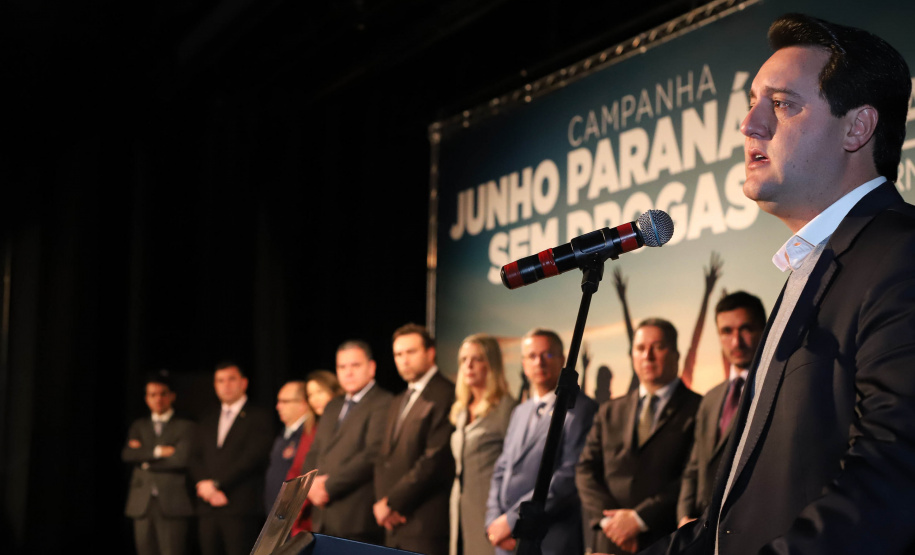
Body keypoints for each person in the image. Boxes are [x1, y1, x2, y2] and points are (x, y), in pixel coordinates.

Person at [643, 13, 915, 555]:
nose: (749, 125)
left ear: (857, 128)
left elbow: (894, 479)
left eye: (783, 104)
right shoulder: (809, 269)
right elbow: (732, 518)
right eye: (751, 102)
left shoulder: (902, 253)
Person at [575, 319, 701, 554]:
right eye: (640, 348)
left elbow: (692, 477)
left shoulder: (700, 408)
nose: (648, 356)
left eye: (658, 347)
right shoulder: (609, 411)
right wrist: (611, 525)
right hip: (608, 542)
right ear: (632, 355)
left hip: (665, 541)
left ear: (676, 354)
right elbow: (585, 470)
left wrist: (638, 518)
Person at [485, 328, 598, 555]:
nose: (539, 363)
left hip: (549, 539)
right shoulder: (519, 411)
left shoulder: (581, 409)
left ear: (562, 359)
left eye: (547, 355)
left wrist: (511, 520)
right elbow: (502, 468)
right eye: (532, 356)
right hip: (505, 540)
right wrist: (493, 522)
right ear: (523, 364)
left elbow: (568, 476)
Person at [677, 292, 765, 527]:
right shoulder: (710, 398)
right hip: (700, 528)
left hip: (750, 525)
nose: (736, 342)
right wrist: (684, 517)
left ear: (763, 329)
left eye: (745, 329)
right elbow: (694, 467)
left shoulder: (775, 388)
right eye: (726, 331)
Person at [374, 324, 455, 555]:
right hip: (393, 525)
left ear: (430, 353)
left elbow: (435, 459)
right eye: (398, 354)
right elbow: (384, 458)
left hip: (424, 522)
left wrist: (392, 503)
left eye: (411, 352)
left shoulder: (446, 393)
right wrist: (384, 504)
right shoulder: (398, 400)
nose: (404, 360)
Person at [302, 340, 392, 544]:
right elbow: (314, 451)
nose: (348, 373)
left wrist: (328, 487)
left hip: (356, 517)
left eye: (355, 366)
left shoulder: (384, 402)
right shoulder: (333, 406)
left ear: (371, 368)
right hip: (322, 516)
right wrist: (309, 487)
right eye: (342, 367)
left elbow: (372, 453)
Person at [189, 362, 274, 555]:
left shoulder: (259, 416)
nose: (225, 385)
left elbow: (252, 458)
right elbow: (194, 457)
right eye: (220, 380)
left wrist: (218, 484)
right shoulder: (207, 417)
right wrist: (205, 485)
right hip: (207, 507)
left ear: (244, 383)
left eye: (231, 379)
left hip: (239, 506)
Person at [448, 334, 517, 555]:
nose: (468, 365)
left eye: (477, 359)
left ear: (492, 364)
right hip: (460, 509)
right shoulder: (460, 410)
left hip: (490, 512)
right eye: (463, 360)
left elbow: (516, 469)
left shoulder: (506, 408)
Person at [122, 371, 196, 555]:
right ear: (146, 398)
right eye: (152, 395)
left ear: (172, 396)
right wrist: (158, 451)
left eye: (162, 393)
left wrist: (145, 460)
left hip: (172, 502)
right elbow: (128, 455)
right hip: (142, 503)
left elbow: (181, 459)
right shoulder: (138, 426)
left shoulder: (185, 426)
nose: (158, 399)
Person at [264, 381, 315, 513]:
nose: (278, 406)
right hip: (276, 513)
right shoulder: (284, 434)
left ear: (302, 404)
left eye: (284, 401)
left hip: (294, 514)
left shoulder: (308, 434)